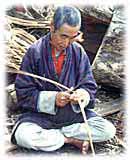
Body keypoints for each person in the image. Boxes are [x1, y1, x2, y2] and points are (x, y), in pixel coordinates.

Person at [11, 6, 116, 154]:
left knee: (108, 130)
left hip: (72, 116)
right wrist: (53, 99)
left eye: (72, 37)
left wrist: (82, 95)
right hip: (41, 117)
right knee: (24, 136)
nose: (66, 43)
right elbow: (24, 92)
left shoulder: (78, 52)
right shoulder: (35, 52)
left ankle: (57, 136)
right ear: (52, 27)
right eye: (63, 36)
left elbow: (89, 85)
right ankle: (70, 139)